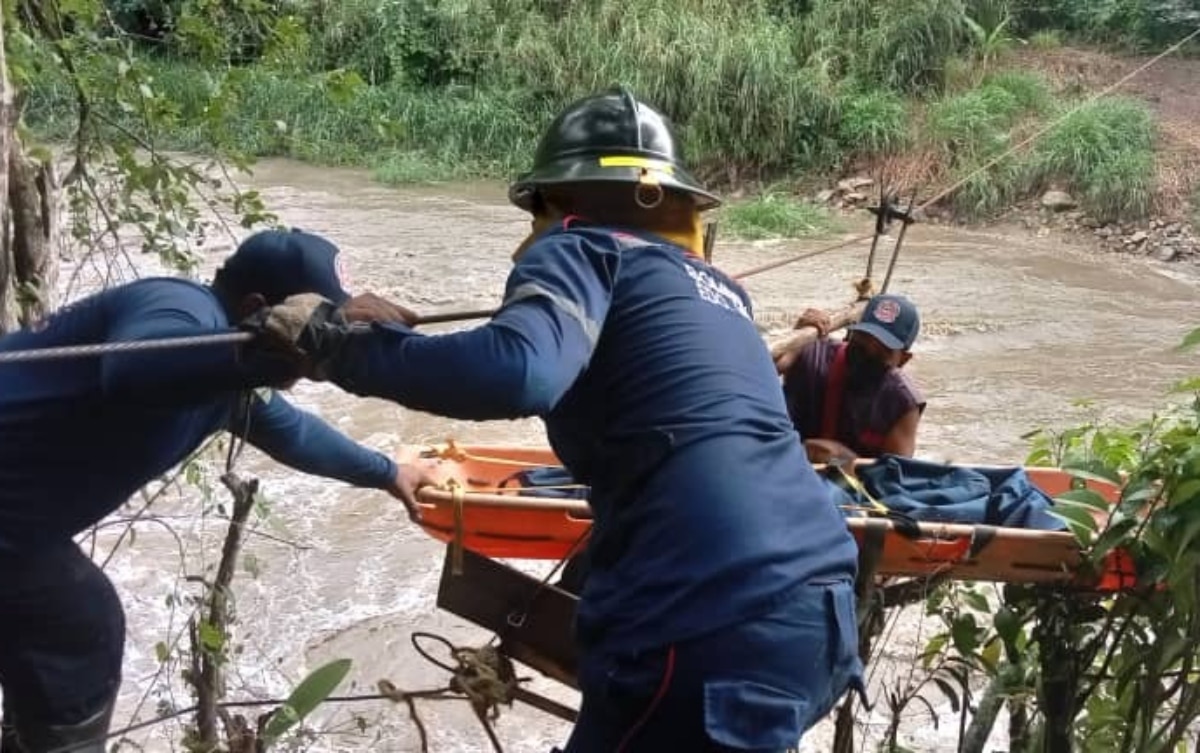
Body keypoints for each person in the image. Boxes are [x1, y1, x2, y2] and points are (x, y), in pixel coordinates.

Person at [246, 88, 865, 752]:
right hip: (821, 605)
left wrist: (344, 346)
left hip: (713, 616)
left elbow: (517, 371)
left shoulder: (581, 247)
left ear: (558, 201)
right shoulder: (720, 293)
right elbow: (677, 447)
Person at [0, 228, 428, 753]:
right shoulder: (180, 305)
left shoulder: (226, 387)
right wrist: (264, 354)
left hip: (16, 530)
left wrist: (389, 473)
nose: (314, 354)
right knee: (81, 629)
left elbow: (296, 434)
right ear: (256, 308)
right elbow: (133, 368)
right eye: (309, 323)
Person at [781, 294, 926, 466]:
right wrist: (795, 338)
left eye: (883, 350)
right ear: (851, 333)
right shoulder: (812, 355)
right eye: (863, 339)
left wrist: (840, 459)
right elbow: (756, 372)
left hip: (853, 486)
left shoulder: (902, 401)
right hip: (785, 468)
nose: (869, 352)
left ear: (903, 359)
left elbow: (893, 478)